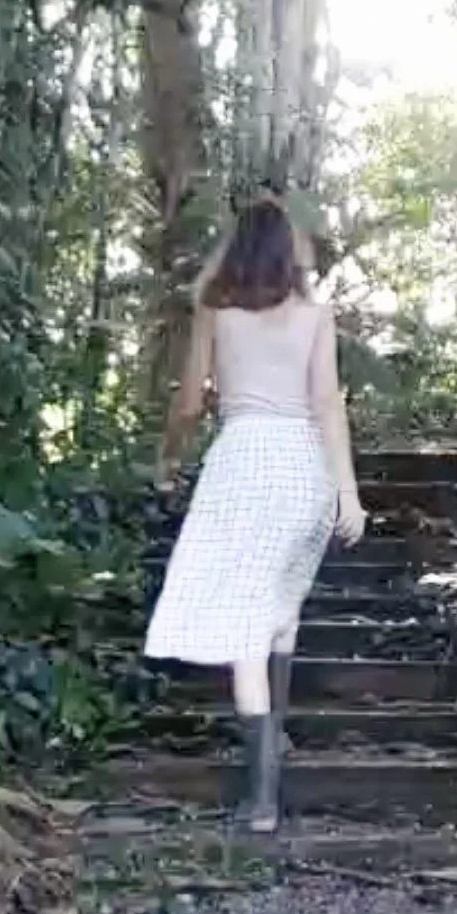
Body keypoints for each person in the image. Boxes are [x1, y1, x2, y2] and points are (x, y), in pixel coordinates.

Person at [143, 195, 368, 833]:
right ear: (288, 250)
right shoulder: (317, 315)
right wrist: (347, 493)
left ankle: (262, 799)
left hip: (242, 462)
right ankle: (276, 740)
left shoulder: (215, 309)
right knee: (279, 611)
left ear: (237, 247)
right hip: (303, 469)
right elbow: (327, 404)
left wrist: (167, 456)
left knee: (245, 631)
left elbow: (189, 403)